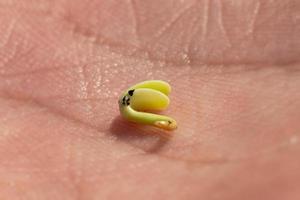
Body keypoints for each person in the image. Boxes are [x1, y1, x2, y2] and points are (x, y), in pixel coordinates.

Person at [0, 0, 299, 199]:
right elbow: (150, 102)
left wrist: (155, 119)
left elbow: (155, 98)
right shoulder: (134, 106)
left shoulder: (138, 104)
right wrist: (156, 119)